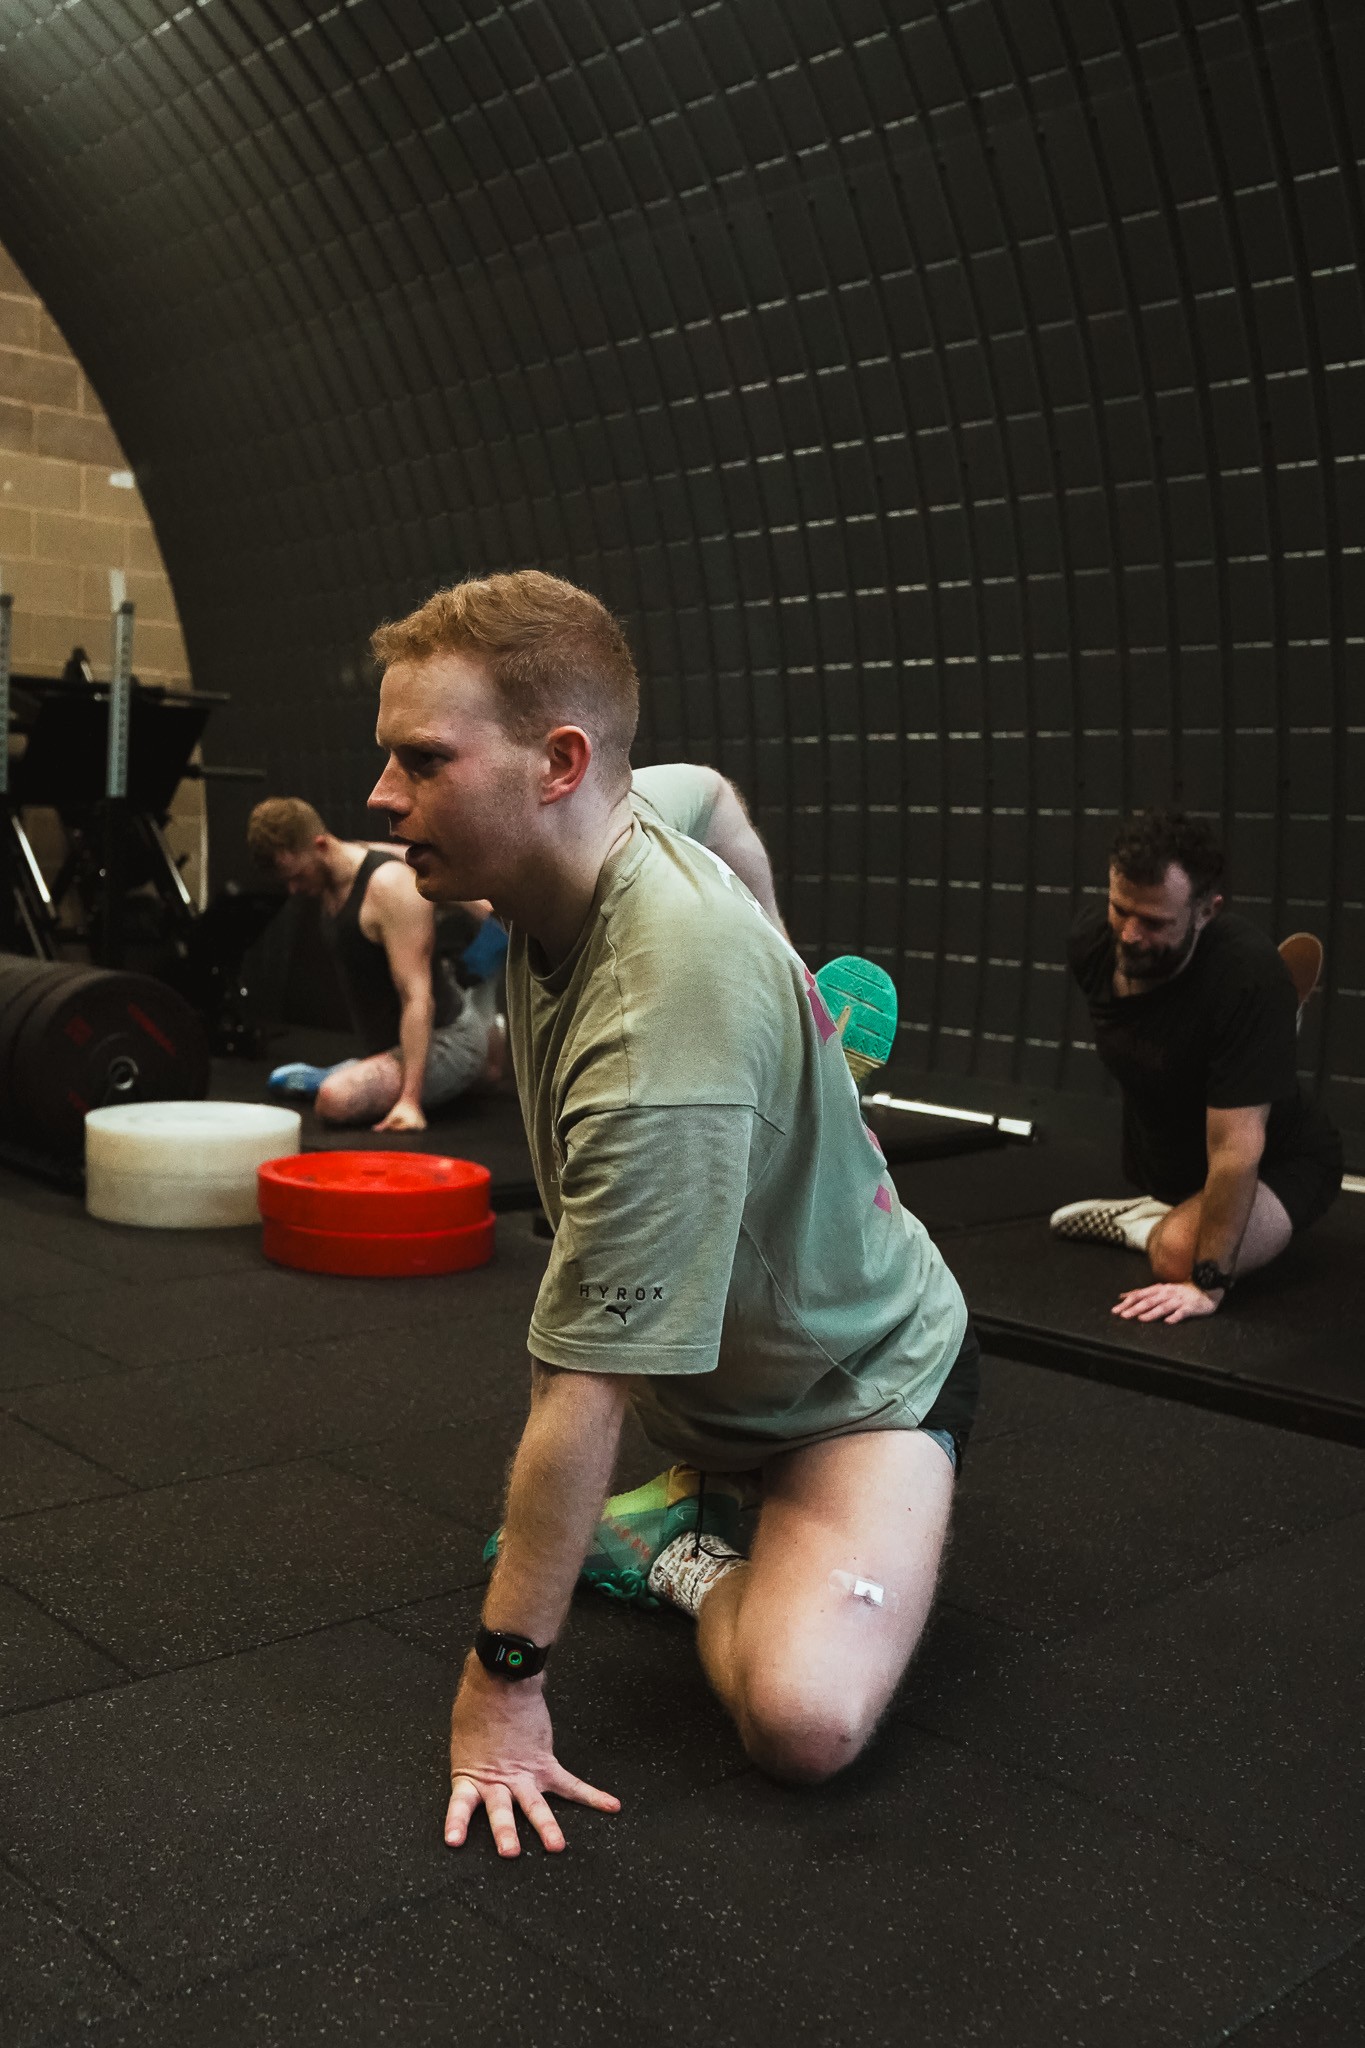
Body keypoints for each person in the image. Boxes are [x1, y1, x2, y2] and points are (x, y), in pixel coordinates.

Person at [364, 570, 977, 1856]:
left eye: (421, 759)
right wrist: (792, 970)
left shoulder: (659, 1046)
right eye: (386, 756)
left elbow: (577, 1398)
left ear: (560, 763)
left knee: (802, 1719)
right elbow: (716, 796)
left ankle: (679, 1555)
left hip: (857, 1383)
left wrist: (504, 1686)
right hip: (714, 1388)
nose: (380, 796)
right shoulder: (628, 815)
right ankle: (695, 1491)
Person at [1053, 809, 1343, 1326]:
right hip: (1174, 1156)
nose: (1130, 934)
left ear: (1207, 912)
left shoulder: (1244, 977)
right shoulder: (1091, 942)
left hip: (1284, 1159)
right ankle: (1159, 1204)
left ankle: (1146, 1227)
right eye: (1120, 909)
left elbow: (1236, 1151)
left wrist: (1208, 1286)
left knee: (1176, 1257)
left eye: (1155, 922)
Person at [245, 797, 502, 1131]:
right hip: (394, 1045)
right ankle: (368, 1067)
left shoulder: (389, 887)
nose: (293, 889)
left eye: (297, 876)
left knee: (334, 1099)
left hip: (446, 1039)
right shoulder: (336, 864)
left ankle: (478, 1047)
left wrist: (409, 1101)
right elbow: (377, 850)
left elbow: (417, 996)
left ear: (320, 845)